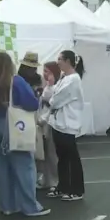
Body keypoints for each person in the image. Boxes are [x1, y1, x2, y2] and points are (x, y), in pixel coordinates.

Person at [0, 52, 49, 216]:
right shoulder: (16, 81)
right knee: (24, 166)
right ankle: (30, 206)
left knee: (3, 168)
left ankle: (8, 205)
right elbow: (32, 103)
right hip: (13, 126)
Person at [47, 50, 86, 201]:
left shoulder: (73, 79)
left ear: (68, 61)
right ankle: (63, 185)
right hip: (59, 123)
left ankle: (76, 189)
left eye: (60, 59)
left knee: (71, 156)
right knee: (62, 157)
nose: (58, 62)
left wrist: (52, 99)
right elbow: (54, 95)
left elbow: (55, 100)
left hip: (67, 123)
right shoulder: (65, 77)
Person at [37, 61, 60, 191]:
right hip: (43, 121)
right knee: (44, 152)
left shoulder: (56, 87)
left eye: (47, 71)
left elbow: (51, 103)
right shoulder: (46, 85)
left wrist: (50, 85)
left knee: (52, 153)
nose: (44, 74)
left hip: (51, 122)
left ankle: (55, 180)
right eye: (43, 71)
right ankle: (46, 178)